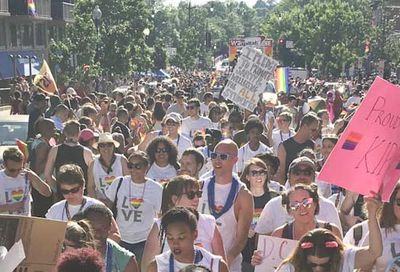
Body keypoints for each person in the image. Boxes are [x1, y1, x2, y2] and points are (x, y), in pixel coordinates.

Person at [274, 193, 382, 272]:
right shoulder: (289, 268)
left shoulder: (344, 259)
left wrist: (372, 214)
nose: (318, 270)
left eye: (325, 265)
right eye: (312, 265)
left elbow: (374, 252)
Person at [142, 175, 225, 271]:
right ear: (174, 199)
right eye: (191, 194)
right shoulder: (160, 225)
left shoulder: (209, 222)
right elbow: (146, 266)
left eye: (198, 193)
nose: (196, 198)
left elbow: (220, 263)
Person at [197, 139, 253, 271]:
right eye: (214, 155)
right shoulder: (200, 186)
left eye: (223, 157)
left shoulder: (243, 194)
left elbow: (241, 238)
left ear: (235, 160)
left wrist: (223, 263)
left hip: (228, 264)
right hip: (198, 263)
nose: (217, 160)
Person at [255, 157, 342, 236]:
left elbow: (338, 243)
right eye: (297, 173)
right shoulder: (273, 205)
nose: (302, 177)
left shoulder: (328, 206)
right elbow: (260, 239)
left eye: (307, 173)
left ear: (314, 177)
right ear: (288, 177)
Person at [104, 151, 163, 263]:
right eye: (130, 166)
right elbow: (107, 209)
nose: (133, 170)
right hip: (121, 237)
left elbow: (161, 215)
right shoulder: (119, 182)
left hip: (144, 240)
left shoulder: (156, 189)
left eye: (138, 166)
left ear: (147, 167)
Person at [147, 207, 229, 272]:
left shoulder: (216, 265)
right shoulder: (156, 267)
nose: (175, 244)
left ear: (195, 234)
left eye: (181, 238)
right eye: (170, 238)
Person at [239, 158, 280, 271]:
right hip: (245, 254)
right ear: (247, 177)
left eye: (262, 172)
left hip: (268, 253)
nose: (259, 176)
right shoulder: (241, 197)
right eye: (254, 173)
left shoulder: (275, 198)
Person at [82, 204, 139, 272]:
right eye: (93, 229)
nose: (98, 234)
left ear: (110, 228)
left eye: (103, 228)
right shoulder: (72, 251)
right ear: (84, 227)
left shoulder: (126, 261)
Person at [358, 183, 400, 271]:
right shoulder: (378, 233)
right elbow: (363, 270)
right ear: (390, 203)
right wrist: (371, 212)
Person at [45, 120, 94, 194]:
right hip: (82, 195)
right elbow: (92, 176)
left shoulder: (55, 150)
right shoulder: (87, 152)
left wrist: (59, 189)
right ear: (79, 133)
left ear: (65, 132)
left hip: (63, 195)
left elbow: (47, 175)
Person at [0, 147, 51, 215]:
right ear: (4, 165)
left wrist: (35, 178)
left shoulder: (26, 175)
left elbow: (47, 193)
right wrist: (9, 207)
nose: (16, 173)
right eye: (12, 170)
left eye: (20, 169)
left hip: (25, 221)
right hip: (5, 223)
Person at [277, 113, 318, 184]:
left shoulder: (312, 144)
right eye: (313, 130)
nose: (315, 133)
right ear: (305, 126)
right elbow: (281, 173)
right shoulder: (284, 146)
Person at [87, 133, 129, 202]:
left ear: (113, 146)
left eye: (109, 145)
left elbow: (128, 182)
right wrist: (97, 202)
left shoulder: (122, 160)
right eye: (102, 145)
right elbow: (90, 187)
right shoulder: (93, 164)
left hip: (120, 201)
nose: (106, 148)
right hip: (101, 202)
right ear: (98, 148)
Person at [30, 118, 57, 217]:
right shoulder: (42, 145)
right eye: (52, 128)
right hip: (43, 185)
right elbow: (38, 168)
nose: (55, 129)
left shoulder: (44, 141)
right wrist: (51, 154)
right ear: (45, 129)